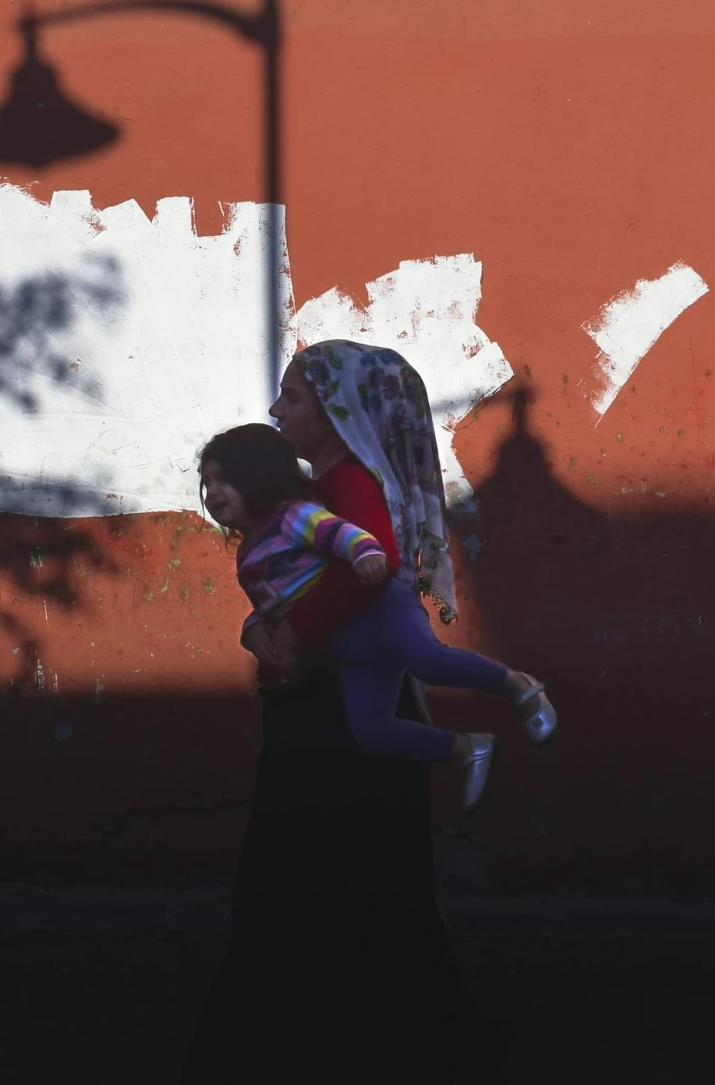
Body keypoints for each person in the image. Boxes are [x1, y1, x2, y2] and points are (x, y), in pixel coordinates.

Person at [184, 342, 526, 1081]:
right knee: (365, 881)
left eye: (293, 399)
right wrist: (264, 628)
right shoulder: (323, 483)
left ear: (341, 409)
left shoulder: (353, 486)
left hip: (332, 716)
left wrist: (288, 635)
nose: (278, 412)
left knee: (307, 878)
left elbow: (364, 579)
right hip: (337, 702)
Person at [198, 421, 552, 809]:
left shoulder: (293, 518)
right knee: (371, 730)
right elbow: (270, 603)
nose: (212, 492)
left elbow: (341, 533)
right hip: (350, 649)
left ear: (256, 476)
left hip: (381, 611)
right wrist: (252, 628)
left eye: (223, 479)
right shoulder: (247, 553)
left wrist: (364, 552)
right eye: (207, 482)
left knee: (428, 661)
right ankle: (467, 748)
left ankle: (519, 686)